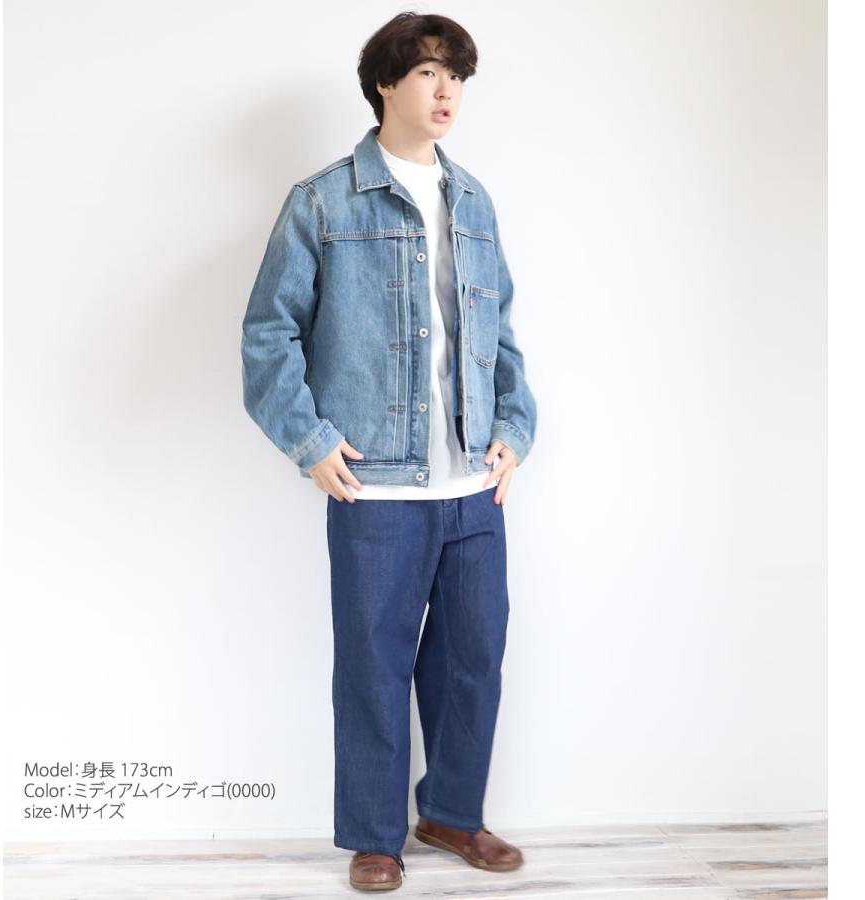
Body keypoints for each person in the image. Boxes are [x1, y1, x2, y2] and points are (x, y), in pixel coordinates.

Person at [241, 11, 537, 892]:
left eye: (457, 76)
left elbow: (501, 335)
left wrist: (514, 432)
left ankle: (450, 813)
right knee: (373, 668)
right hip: (375, 489)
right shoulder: (323, 201)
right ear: (385, 84)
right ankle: (375, 836)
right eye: (428, 73)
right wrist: (309, 440)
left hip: (473, 487)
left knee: (474, 662)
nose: (446, 91)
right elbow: (267, 334)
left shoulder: (473, 201)